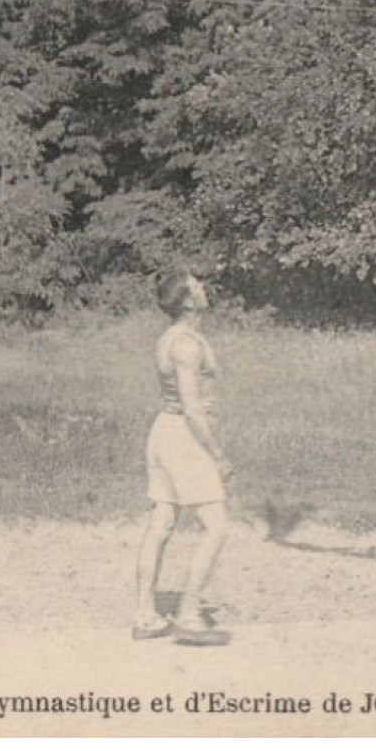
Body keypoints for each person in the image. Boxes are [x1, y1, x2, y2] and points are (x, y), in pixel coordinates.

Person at [133, 269, 234, 646]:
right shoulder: (187, 345)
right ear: (188, 300)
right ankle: (188, 616)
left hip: (165, 432)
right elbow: (193, 408)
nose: (204, 288)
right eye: (197, 285)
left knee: (161, 524)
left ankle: (145, 615)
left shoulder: (171, 338)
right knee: (217, 525)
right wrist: (219, 456)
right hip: (183, 437)